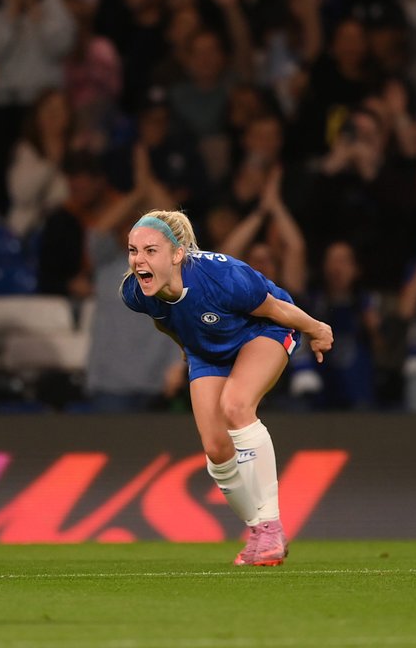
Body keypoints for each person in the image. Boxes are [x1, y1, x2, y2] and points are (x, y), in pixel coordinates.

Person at [120, 209, 333, 566]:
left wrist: (317, 328)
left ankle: (271, 527)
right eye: (133, 250)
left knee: (235, 405)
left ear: (177, 254)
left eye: (150, 250)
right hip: (207, 349)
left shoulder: (223, 276)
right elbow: (166, 322)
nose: (138, 260)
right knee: (216, 449)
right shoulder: (136, 293)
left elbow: (276, 309)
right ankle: (259, 531)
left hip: (261, 330)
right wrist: (186, 348)